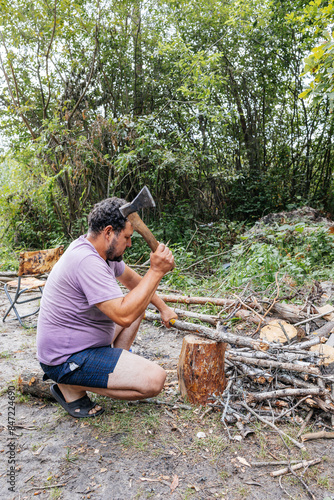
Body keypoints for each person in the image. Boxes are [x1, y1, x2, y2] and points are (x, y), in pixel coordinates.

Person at [36, 197, 177, 418]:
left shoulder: (104, 253)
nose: (129, 244)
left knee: (138, 301)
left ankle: (112, 367)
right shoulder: (86, 261)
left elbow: (134, 283)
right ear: (109, 232)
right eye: (127, 237)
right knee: (154, 380)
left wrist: (163, 308)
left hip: (87, 343)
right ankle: (71, 386)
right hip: (66, 359)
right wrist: (157, 271)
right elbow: (123, 316)